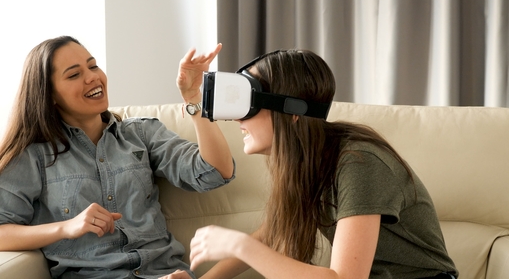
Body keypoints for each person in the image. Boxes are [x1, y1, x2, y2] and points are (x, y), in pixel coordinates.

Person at [188, 49, 459, 279]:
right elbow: (270, 234)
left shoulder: (359, 162)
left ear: (292, 113)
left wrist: (238, 245)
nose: (238, 120)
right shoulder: (309, 161)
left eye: (249, 104)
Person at [0, 36, 235, 279]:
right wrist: (66, 227)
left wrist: (194, 99)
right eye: (73, 75)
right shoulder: (34, 155)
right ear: (50, 95)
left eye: (93, 66)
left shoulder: (141, 133)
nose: (92, 77)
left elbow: (215, 172)